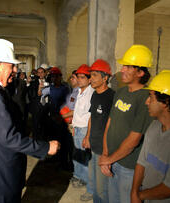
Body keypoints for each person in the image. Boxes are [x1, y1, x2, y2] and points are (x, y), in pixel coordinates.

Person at [0, 38, 60, 203]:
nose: (15, 70)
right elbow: (9, 138)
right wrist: (46, 147)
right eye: (11, 65)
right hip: (0, 171)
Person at [99, 45, 154, 203]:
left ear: (140, 72)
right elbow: (109, 123)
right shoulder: (121, 92)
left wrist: (108, 160)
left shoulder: (145, 98)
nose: (122, 69)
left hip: (129, 167)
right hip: (111, 160)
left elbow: (134, 139)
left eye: (128, 66)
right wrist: (105, 154)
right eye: (124, 65)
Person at [131, 70, 170, 203]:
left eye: (151, 97)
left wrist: (140, 195)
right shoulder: (154, 126)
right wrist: (134, 192)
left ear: (165, 102)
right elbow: (141, 162)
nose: (146, 102)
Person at [82, 59, 115, 202]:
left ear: (105, 78)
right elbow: (92, 117)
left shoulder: (112, 97)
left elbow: (112, 125)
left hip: (104, 149)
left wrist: (107, 153)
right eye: (91, 75)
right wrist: (87, 136)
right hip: (93, 145)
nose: (91, 79)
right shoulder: (95, 95)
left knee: (103, 188)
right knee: (94, 183)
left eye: (94, 75)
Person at [71, 64, 94, 201]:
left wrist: (87, 135)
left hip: (85, 129)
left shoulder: (91, 93)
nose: (79, 80)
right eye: (77, 77)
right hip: (78, 127)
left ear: (89, 79)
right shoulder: (80, 92)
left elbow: (91, 116)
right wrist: (73, 125)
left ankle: (87, 184)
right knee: (78, 154)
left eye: (82, 77)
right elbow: (78, 112)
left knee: (86, 158)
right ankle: (79, 177)